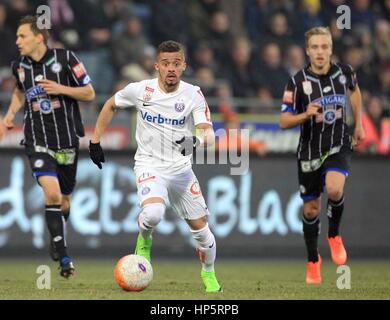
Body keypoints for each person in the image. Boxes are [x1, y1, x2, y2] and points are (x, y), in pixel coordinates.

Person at [88, 40, 222, 293]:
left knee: (203, 233)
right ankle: (144, 241)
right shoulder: (141, 90)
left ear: (184, 66)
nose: (171, 68)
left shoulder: (193, 93)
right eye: (166, 63)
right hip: (149, 165)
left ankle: (209, 274)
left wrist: (195, 140)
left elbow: (209, 134)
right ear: (157, 66)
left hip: (181, 171)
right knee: (152, 214)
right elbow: (111, 105)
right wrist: (95, 140)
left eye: (176, 63)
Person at [1, 15, 95, 278]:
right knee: (51, 194)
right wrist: (9, 116)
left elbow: (89, 93)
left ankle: (57, 236)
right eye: (17, 36)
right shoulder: (19, 66)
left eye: (22, 36)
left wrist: (61, 88)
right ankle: (64, 257)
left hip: (67, 141)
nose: (17, 41)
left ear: (38, 37)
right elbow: (21, 90)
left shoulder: (66, 59)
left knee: (64, 201)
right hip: (37, 140)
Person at [279, 27, 365, 284]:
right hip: (309, 150)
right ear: (307, 51)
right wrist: (305, 114)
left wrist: (358, 123)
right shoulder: (296, 82)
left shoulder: (344, 73)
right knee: (310, 209)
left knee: (335, 188)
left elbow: (355, 91)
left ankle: (334, 235)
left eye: (324, 46)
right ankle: (313, 260)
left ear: (331, 48)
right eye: (315, 47)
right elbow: (283, 121)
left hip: (339, 143)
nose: (320, 52)